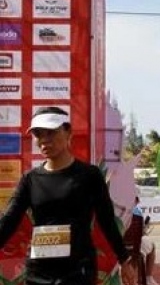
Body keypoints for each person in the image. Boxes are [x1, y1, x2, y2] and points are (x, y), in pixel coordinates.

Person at [0, 107, 137, 285]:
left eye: (50, 133)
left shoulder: (90, 176)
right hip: (39, 273)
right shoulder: (30, 179)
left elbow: (107, 221)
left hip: (78, 272)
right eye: (38, 134)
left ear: (68, 132)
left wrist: (124, 260)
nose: (44, 141)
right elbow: (9, 220)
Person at [131, 197, 160, 285]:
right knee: (150, 245)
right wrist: (144, 230)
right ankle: (148, 278)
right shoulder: (137, 211)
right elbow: (141, 233)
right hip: (132, 244)